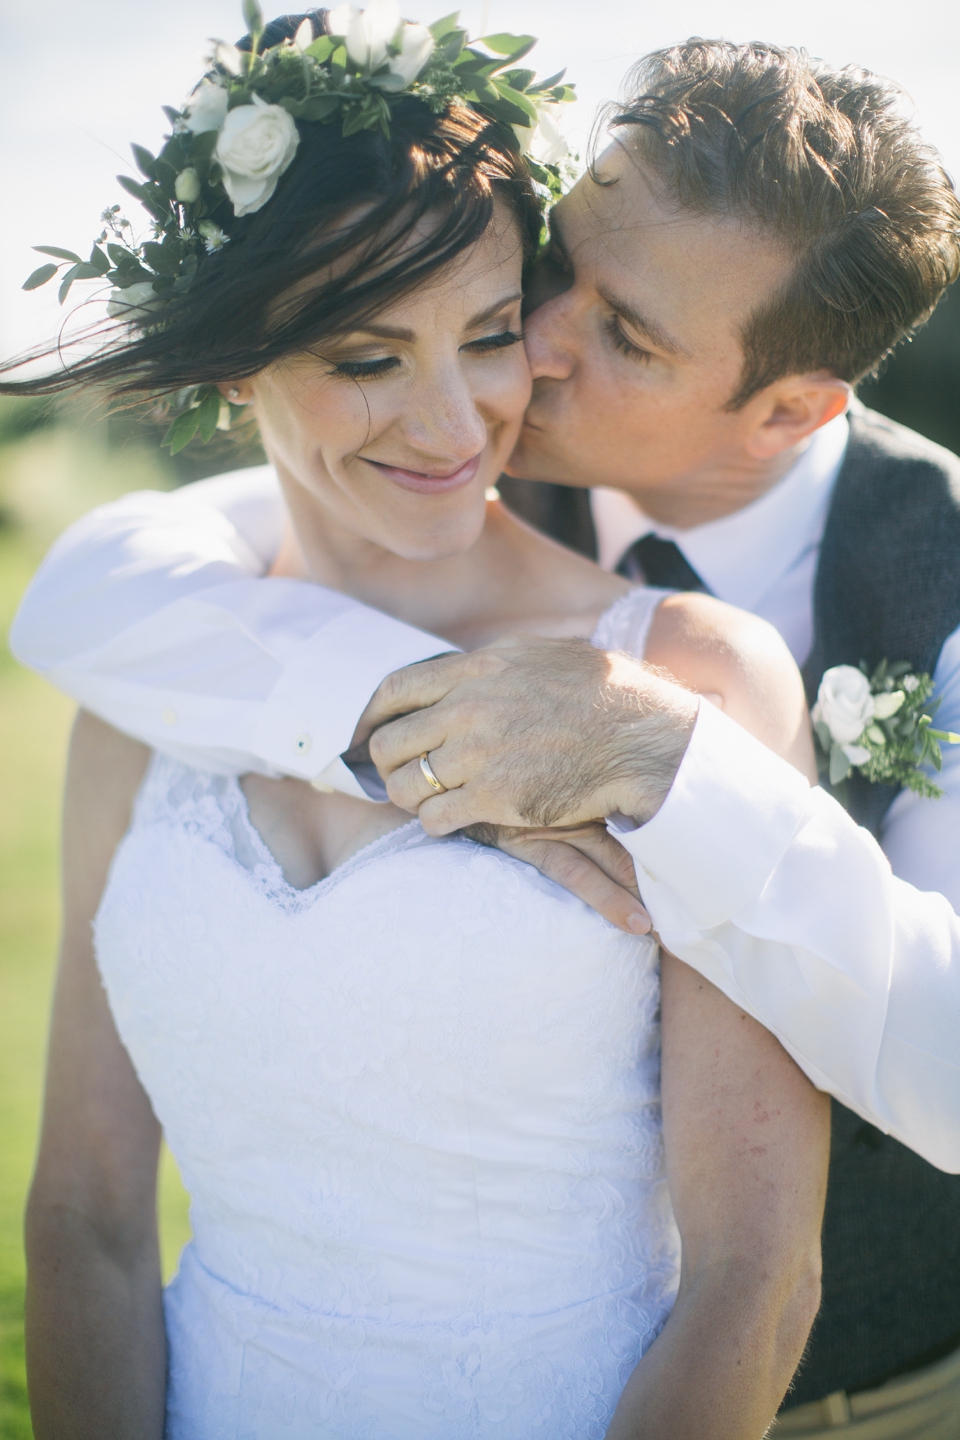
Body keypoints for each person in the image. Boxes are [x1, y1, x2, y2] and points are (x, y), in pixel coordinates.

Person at [9, 25, 960, 1439]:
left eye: (625, 335)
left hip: (883, 1380)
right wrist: (396, 711)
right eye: (550, 279)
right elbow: (97, 592)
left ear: (786, 411)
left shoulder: (909, 593)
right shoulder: (419, 482)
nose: (535, 355)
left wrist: (675, 770)